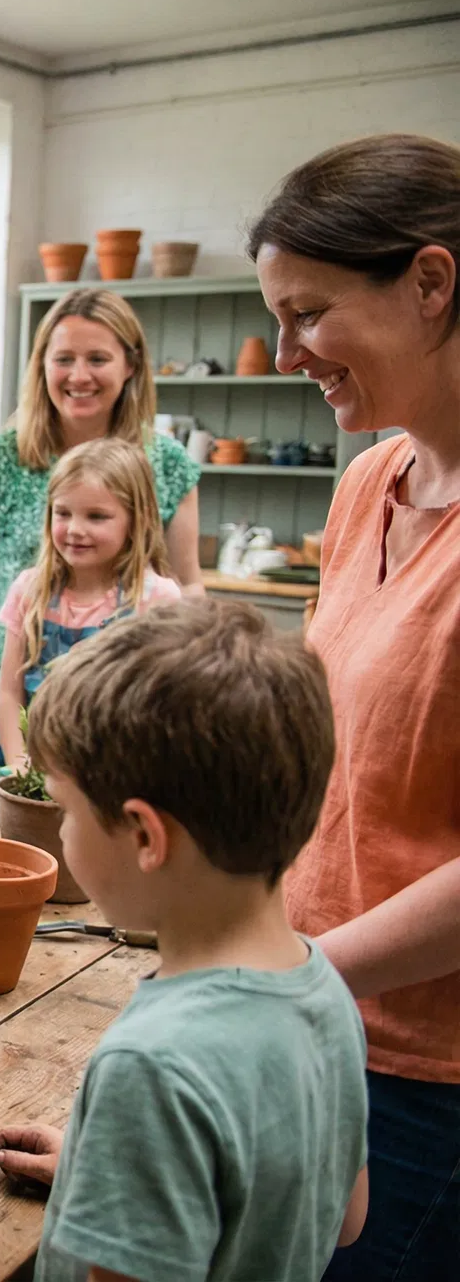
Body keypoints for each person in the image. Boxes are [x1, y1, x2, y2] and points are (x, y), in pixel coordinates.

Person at [0, 600, 368, 1282]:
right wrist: (119, 1178)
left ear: (146, 837)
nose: (59, 833)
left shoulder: (152, 1068)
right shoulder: (327, 991)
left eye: (66, 808)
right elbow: (340, 1215)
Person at [252, 132, 460, 1281]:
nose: (287, 352)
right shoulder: (369, 481)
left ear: (430, 284)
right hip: (316, 1016)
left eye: (311, 313)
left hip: (429, 1079)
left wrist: (298, 977)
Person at [0, 290, 203, 778]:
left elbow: (188, 583)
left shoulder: (167, 463)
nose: (79, 376)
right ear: (42, 366)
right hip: (0, 708)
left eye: (98, 358)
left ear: (131, 365)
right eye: (64, 359)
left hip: (119, 717)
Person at [0, 439, 181, 765]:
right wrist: (18, 763)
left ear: (137, 521)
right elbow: (9, 694)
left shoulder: (157, 600)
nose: (75, 529)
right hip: (41, 769)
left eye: (96, 516)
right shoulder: (30, 589)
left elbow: (165, 711)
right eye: (63, 513)